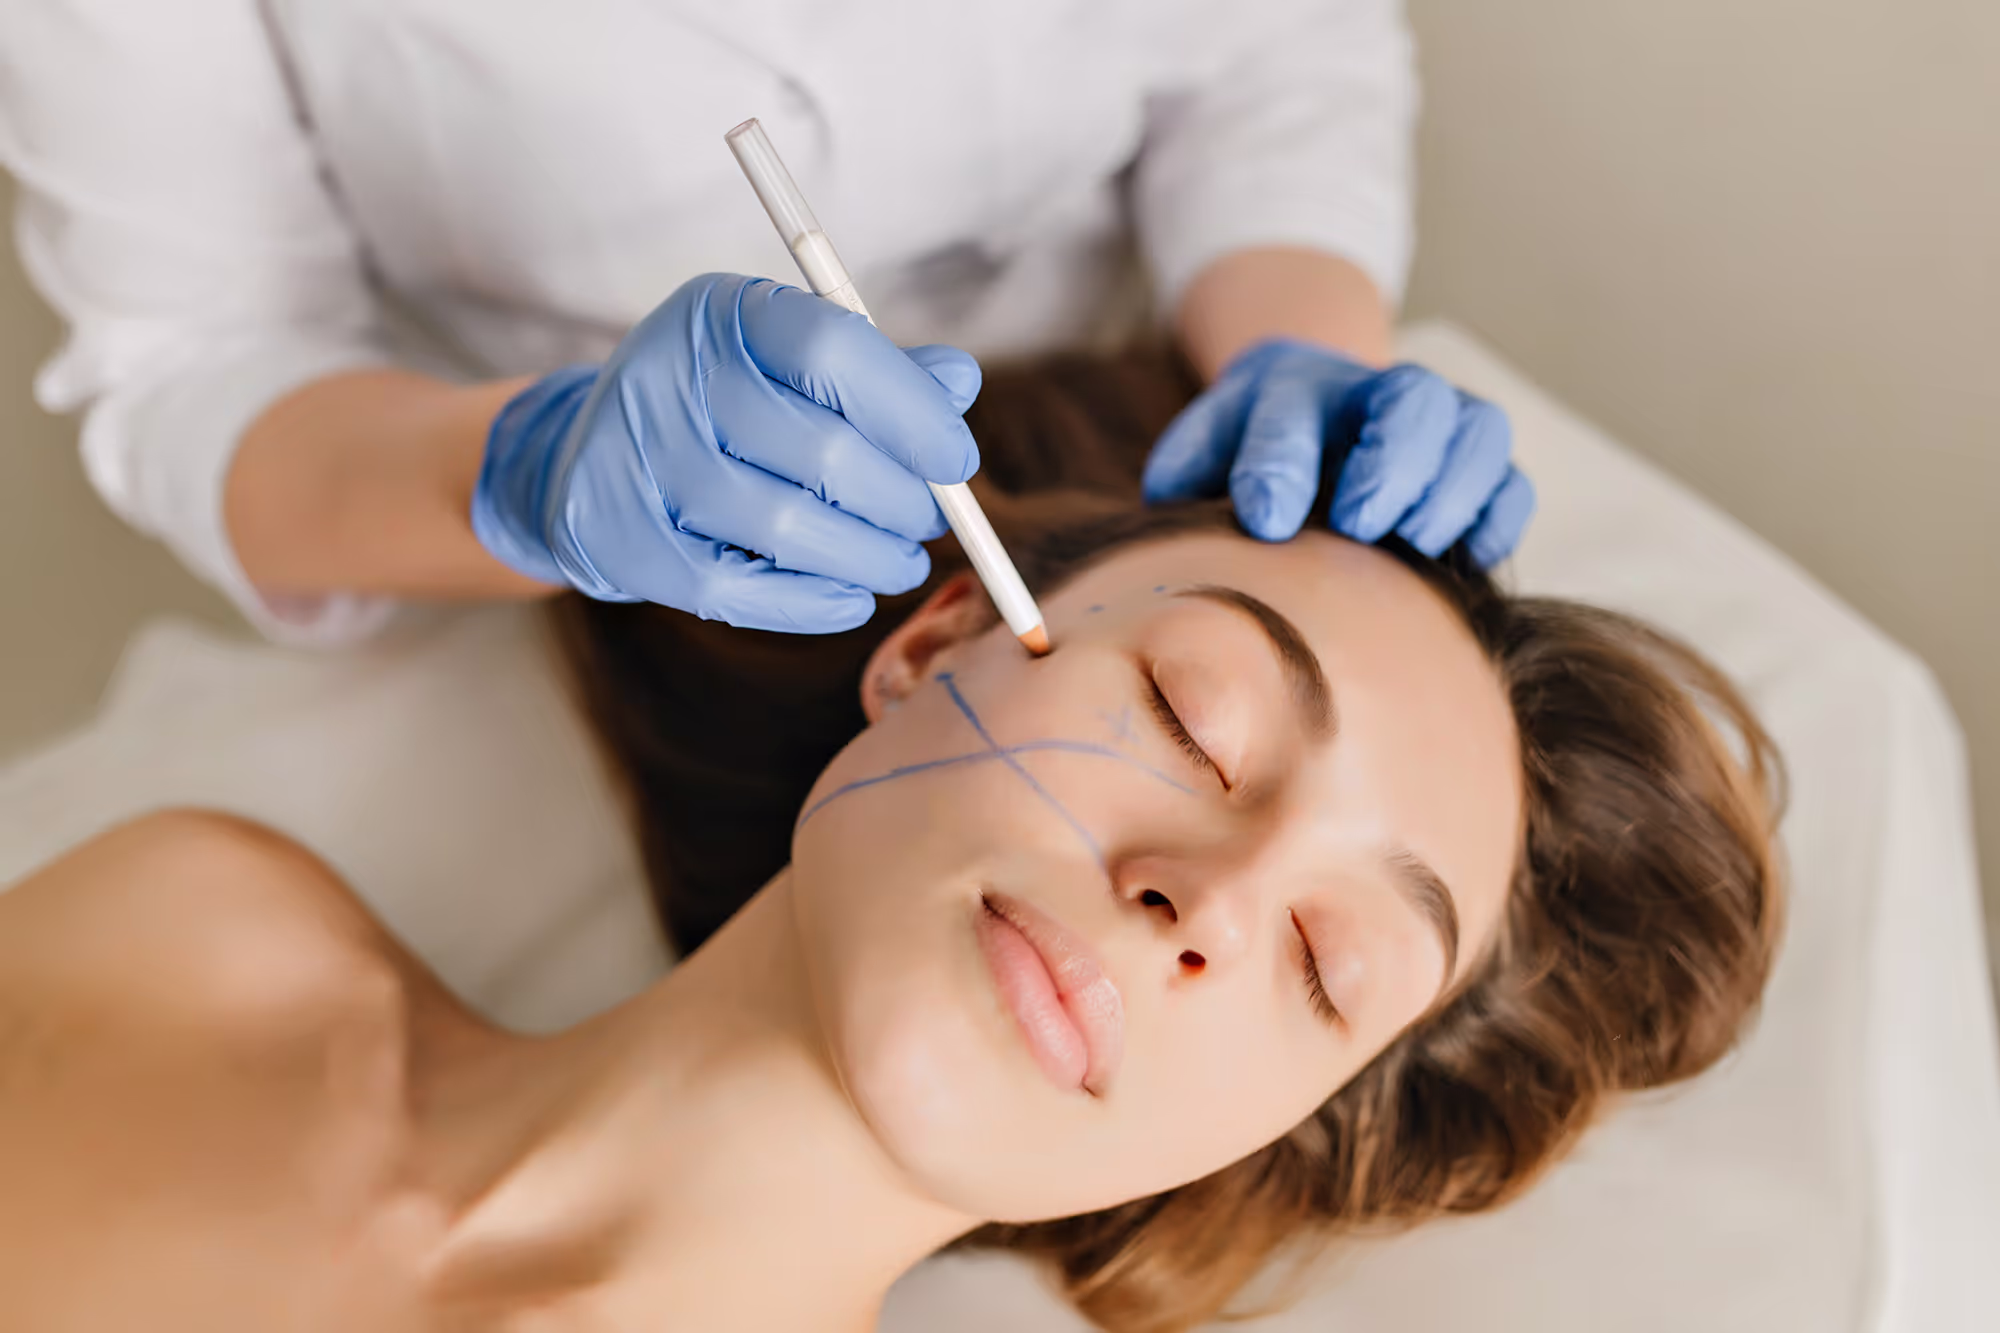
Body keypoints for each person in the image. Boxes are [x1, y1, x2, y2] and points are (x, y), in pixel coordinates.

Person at [0, 350, 1781, 1332]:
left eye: (1326, 969)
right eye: (1193, 714)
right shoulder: (190, 940)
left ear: (1264, 1130)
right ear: (930, 646)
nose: (1208, 901)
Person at [2, 1, 1532, 645]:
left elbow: (1273, 48)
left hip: (1133, 405)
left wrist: (1301, 339)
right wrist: (530, 473)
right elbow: (195, 365)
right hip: (567, 545)